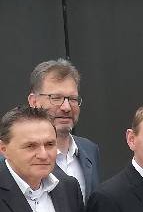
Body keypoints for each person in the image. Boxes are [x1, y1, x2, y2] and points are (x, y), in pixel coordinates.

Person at [27, 58, 100, 200]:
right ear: (33, 101)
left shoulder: (89, 150)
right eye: (56, 98)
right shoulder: (15, 157)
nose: (66, 107)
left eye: (72, 99)